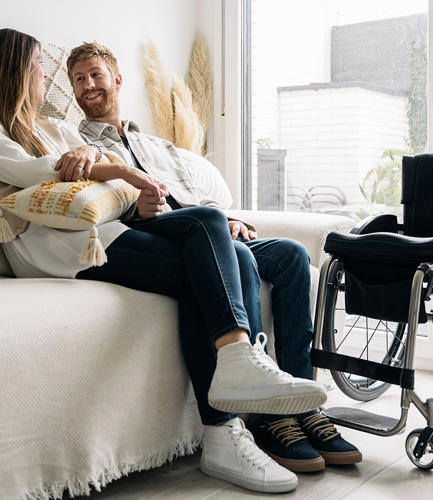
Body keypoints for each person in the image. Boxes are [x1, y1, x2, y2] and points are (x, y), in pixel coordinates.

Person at [0, 28, 334, 495]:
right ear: (15, 72)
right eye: (40, 68)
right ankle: (233, 400)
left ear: (117, 80)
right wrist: (116, 167)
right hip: (61, 251)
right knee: (211, 245)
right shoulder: (12, 134)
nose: (48, 77)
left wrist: (97, 161)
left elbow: (84, 167)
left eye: (92, 75)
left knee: (222, 237)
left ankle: (235, 409)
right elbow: (44, 171)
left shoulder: (51, 128)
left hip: (103, 231)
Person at [66, 41, 362, 477]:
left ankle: (301, 404)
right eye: (79, 79)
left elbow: (200, 197)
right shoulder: (78, 139)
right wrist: (135, 207)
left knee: (292, 256)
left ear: (116, 79)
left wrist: (229, 218)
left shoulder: (158, 145)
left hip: (206, 225)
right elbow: (89, 190)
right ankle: (267, 417)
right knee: (232, 249)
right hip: (154, 230)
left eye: (95, 74)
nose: (88, 85)